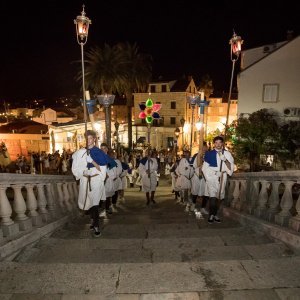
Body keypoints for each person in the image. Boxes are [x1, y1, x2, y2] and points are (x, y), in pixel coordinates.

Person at [71, 130, 108, 237]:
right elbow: (75, 169)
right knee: (89, 203)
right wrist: (82, 172)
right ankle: (93, 220)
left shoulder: (99, 152)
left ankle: (96, 226)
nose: (88, 140)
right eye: (87, 138)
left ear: (94, 139)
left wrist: (91, 161)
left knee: (95, 203)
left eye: (91, 138)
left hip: (96, 180)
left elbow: (102, 170)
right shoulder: (80, 153)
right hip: (85, 180)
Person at [202, 136, 234, 224]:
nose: (218, 144)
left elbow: (231, 168)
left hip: (222, 177)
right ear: (214, 144)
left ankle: (215, 214)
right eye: (216, 143)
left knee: (219, 198)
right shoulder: (209, 154)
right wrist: (210, 178)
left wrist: (225, 160)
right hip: (212, 177)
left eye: (220, 142)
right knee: (212, 197)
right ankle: (212, 215)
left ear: (222, 143)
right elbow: (204, 168)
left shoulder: (227, 154)